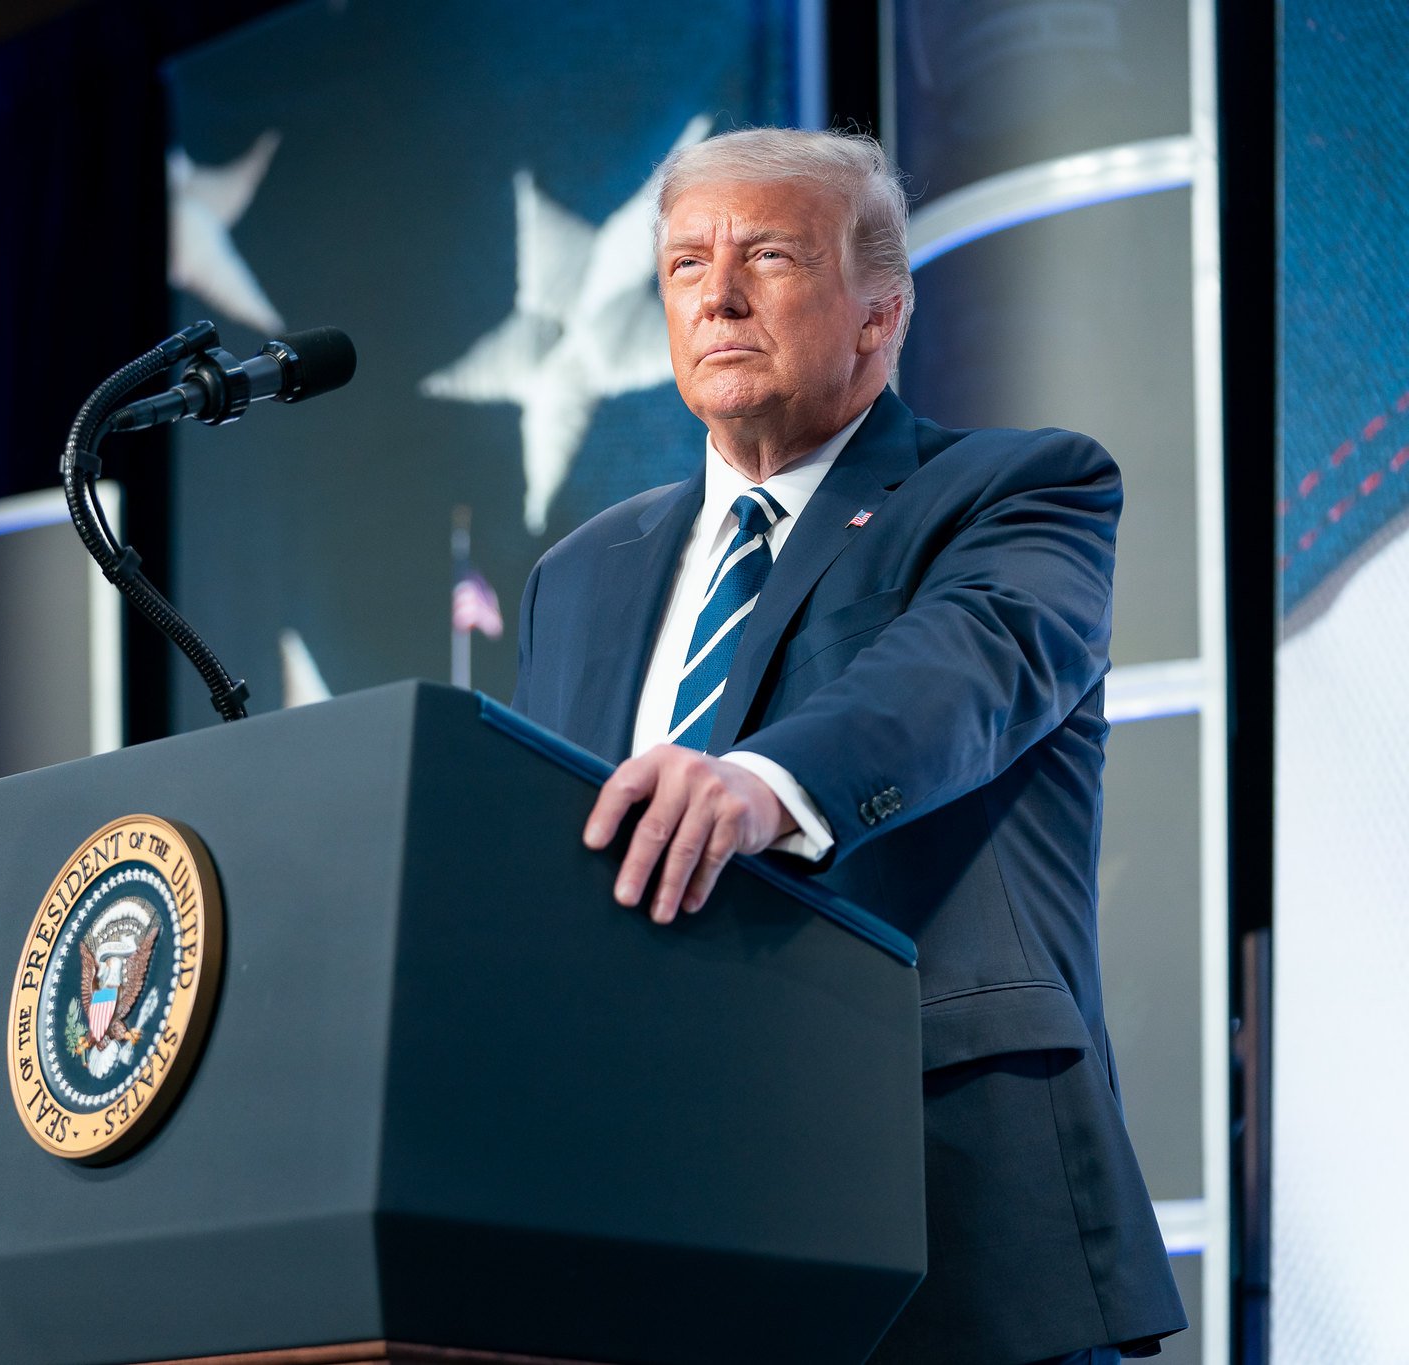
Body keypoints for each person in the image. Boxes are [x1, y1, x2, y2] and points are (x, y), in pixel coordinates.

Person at [511, 127, 1187, 1365]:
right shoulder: (578, 573)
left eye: (765, 255)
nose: (713, 296)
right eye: (681, 266)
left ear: (879, 311)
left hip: (938, 1212)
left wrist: (761, 783)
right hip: (640, 1220)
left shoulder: (1016, 489)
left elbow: (962, 669)